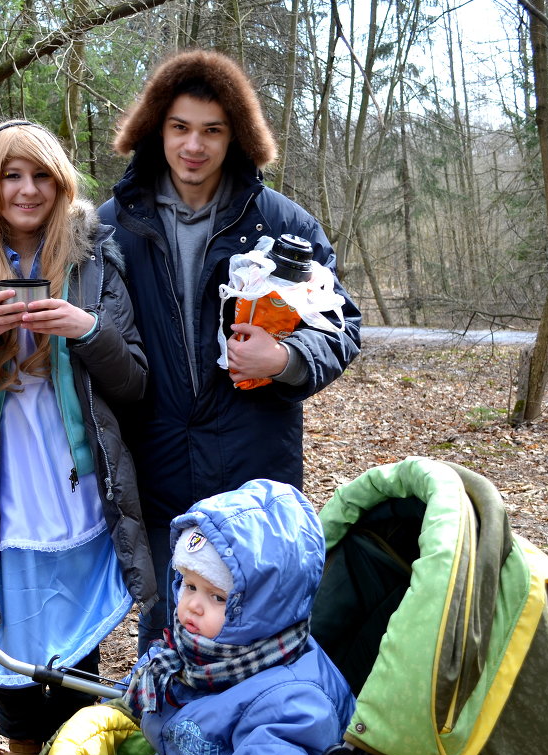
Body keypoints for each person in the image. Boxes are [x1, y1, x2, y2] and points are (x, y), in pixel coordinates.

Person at [0, 120, 157, 755]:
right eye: (11, 176)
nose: (26, 190)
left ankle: (74, 749)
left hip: (80, 477)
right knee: (10, 611)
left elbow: (135, 380)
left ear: (61, 183)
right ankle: (22, 745)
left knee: (74, 611)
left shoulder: (94, 260)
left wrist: (89, 330)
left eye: (41, 176)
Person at [96, 50, 363, 656]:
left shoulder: (280, 224)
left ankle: (259, 744)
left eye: (212, 130)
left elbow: (342, 324)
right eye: (181, 128)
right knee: (171, 627)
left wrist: (286, 359)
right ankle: (170, 742)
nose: (195, 145)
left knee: (260, 622)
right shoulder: (113, 226)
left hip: (253, 464)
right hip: (157, 461)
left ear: (235, 136)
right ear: (156, 129)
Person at [119, 479, 355, 755]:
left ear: (263, 609)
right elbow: (153, 678)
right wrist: (115, 707)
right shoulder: (199, 651)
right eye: (189, 585)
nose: (192, 605)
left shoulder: (291, 699)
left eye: (217, 597)